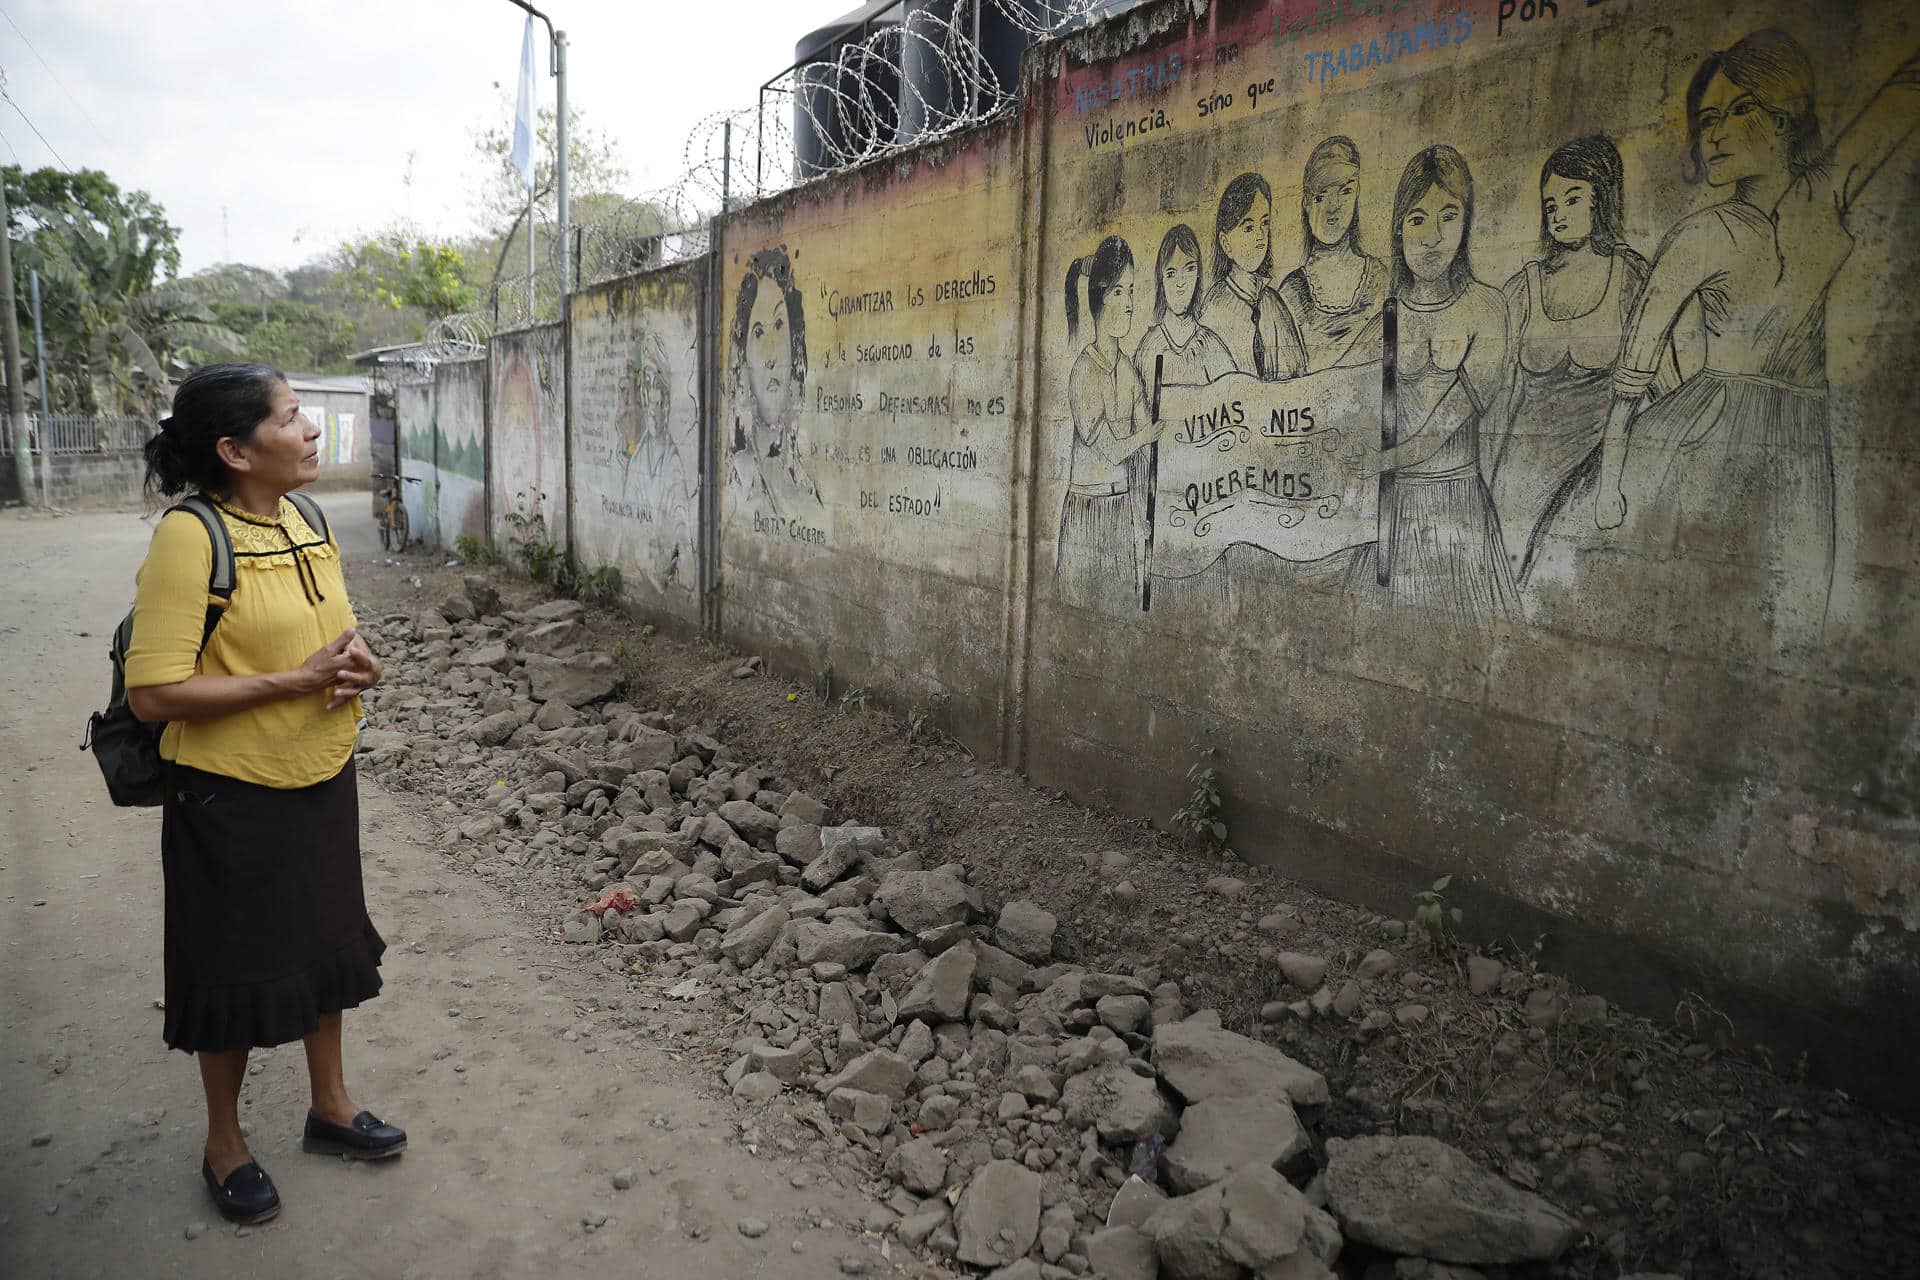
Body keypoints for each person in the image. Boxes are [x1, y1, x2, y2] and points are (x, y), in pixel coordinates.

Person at [126, 363, 403, 1227]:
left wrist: (363, 666)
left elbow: (337, 642)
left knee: (327, 947)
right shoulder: (190, 538)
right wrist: (293, 681)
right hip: (230, 796)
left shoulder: (306, 518)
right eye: (291, 418)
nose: (312, 430)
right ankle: (224, 1143)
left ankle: (330, 1107)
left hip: (321, 775)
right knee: (232, 969)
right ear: (235, 451)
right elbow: (154, 694)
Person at [1594, 31, 1920, 653]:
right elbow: (1633, 365)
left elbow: (1898, 102)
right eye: (1706, 119)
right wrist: (1611, 481)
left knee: (1791, 618)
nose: (1713, 133)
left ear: (1783, 119)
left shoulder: (1822, 201)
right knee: (1690, 614)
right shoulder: (1701, 233)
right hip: (1705, 433)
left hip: (1801, 430)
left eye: (1737, 110)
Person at [1350, 146, 1518, 628]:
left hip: (1456, 506)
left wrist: (1380, 461)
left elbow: (1445, 423)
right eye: (1417, 219)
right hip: (1393, 508)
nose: (1432, 237)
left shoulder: (1486, 309)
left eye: (1448, 216)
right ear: (1399, 227)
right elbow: (1339, 395)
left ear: (1466, 224)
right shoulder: (1386, 314)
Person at [1491, 135, 1648, 589]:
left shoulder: (1630, 275)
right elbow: (1500, 392)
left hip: (1596, 466)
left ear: (1601, 200)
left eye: (1572, 198)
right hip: (1520, 472)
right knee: (1508, 581)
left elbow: (1660, 381)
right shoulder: (1526, 287)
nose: (1558, 212)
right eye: (1550, 204)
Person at [1056, 236, 1161, 612]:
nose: (1130, 304)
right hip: (1089, 512)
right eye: (1120, 292)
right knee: (1079, 614)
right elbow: (1116, 448)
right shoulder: (1084, 372)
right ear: (1101, 298)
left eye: (1132, 291)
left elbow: (1148, 446)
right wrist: (1148, 435)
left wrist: (1150, 508)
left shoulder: (1128, 370)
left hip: (1121, 511)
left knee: (1120, 612)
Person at [1276, 136, 1389, 373]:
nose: (1334, 206)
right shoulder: (1290, 292)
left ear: (1357, 194)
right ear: (1307, 202)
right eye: (1321, 195)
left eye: (1345, 192)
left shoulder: (1381, 279)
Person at [727, 245, 822, 522]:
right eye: (758, 333)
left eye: (779, 326)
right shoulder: (739, 483)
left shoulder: (802, 483)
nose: (771, 357)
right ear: (743, 360)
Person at [1199, 173, 1308, 380]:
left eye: (1264, 224)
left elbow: (1299, 375)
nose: (1260, 237)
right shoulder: (1213, 308)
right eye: (1248, 227)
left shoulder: (1273, 303)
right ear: (1225, 243)